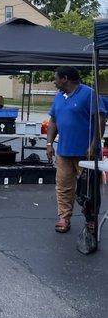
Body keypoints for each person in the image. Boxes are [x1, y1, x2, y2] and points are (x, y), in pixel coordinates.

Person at [46, 66, 106, 234]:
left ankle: (90, 218)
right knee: (63, 186)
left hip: (86, 152)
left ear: (65, 78)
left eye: (56, 78)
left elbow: (100, 117)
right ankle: (64, 217)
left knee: (89, 188)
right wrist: (49, 144)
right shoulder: (59, 97)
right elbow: (53, 120)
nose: (54, 81)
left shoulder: (89, 94)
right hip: (64, 151)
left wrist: (95, 142)